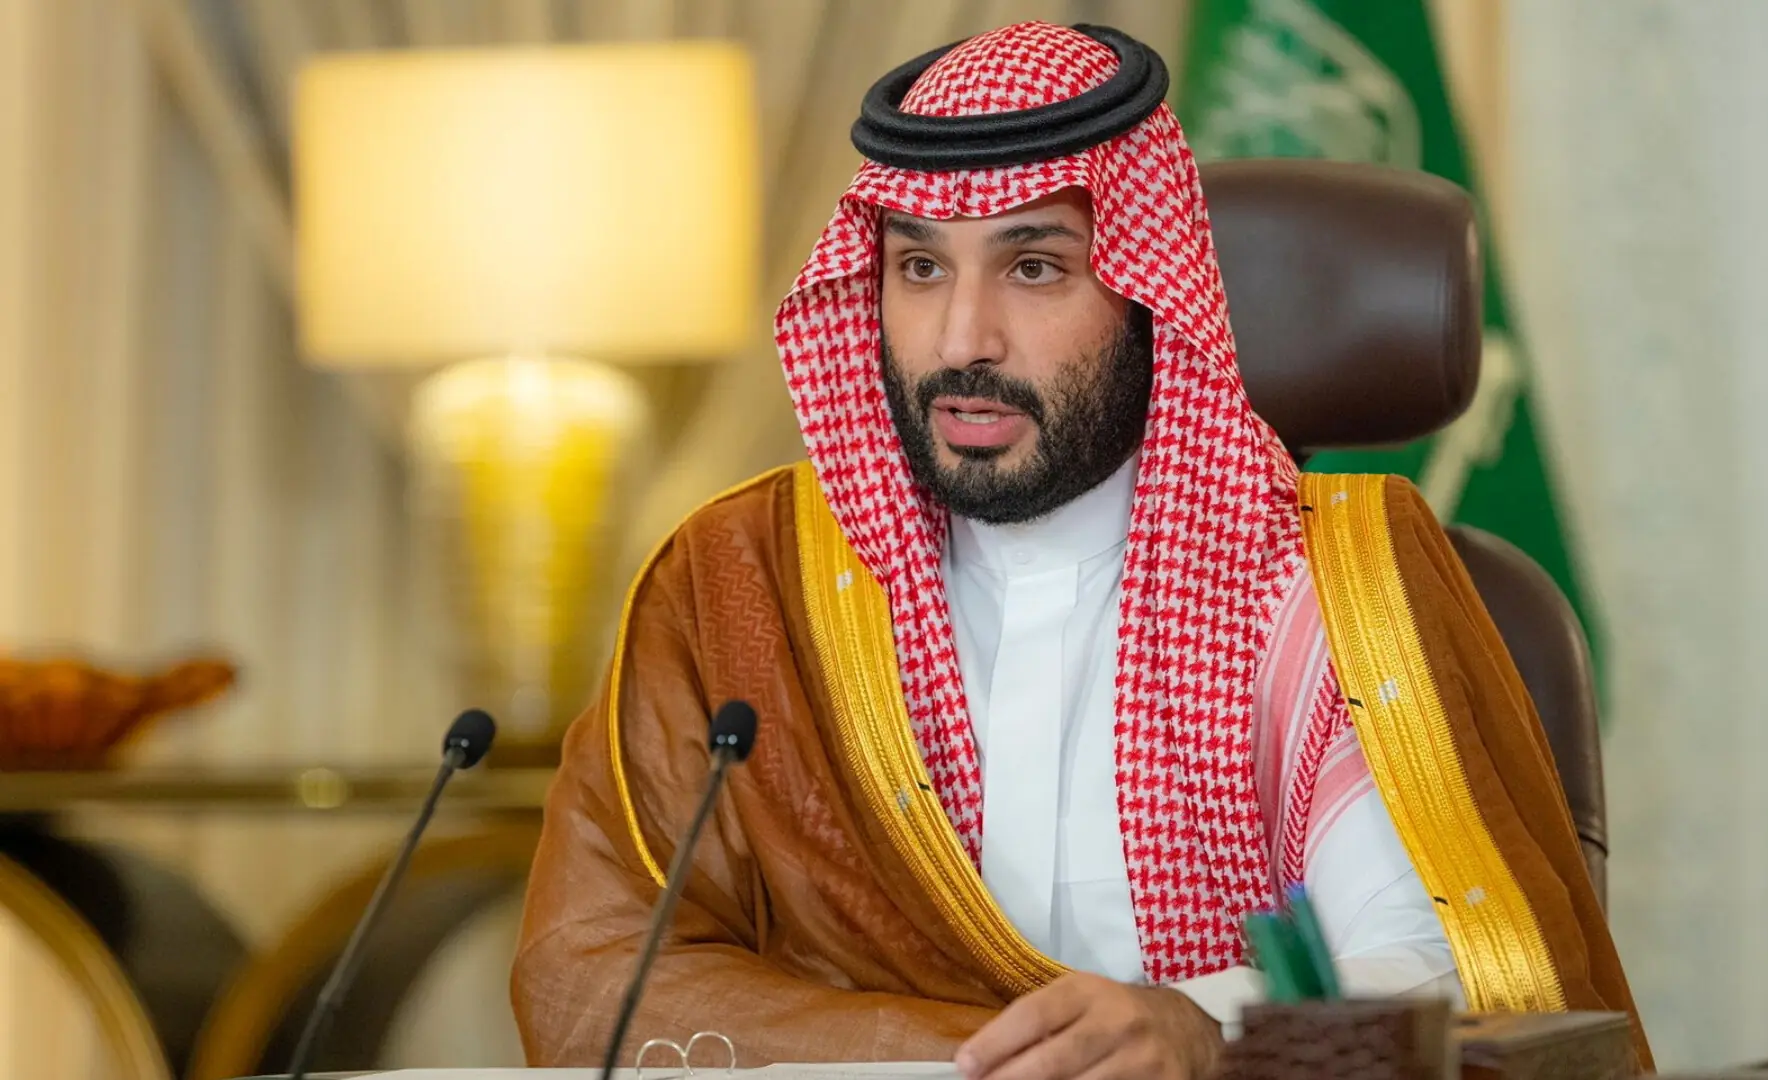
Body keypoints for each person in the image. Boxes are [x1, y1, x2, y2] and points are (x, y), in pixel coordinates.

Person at [512, 21, 1648, 1080]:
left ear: (1147, 289)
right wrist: (1018, 1060)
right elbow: (591, 982)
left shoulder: (1318, 588)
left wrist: (1206, 1032)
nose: (963, 340)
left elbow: (1434, 976)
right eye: (919, 268)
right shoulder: (740, 587)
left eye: (1034, 267)